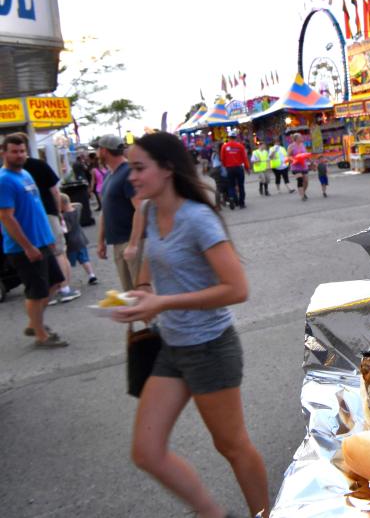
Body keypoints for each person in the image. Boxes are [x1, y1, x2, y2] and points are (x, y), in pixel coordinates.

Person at [112, 131, 270, 518]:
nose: (130, 176)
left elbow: (237, 289)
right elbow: (152, 258)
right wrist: (142, 291)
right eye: (130, 167)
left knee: (231, 445)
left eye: (138, 168)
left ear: (166, 169)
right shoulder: (149, 211)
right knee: (147, 452)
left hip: (210, 348)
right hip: (172, 346)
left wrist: (162, 301)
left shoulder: (198, 219)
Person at [0, 133, 69, 347]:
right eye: (15, 151)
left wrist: (47, 239)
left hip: (42, 241)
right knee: (36, 292)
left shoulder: (26, 174)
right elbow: (6, 217)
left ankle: (34, 323)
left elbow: (37, 208)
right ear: (4, 153)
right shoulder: (4, 180)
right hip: (23, 248)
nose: (20, 155)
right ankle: (41, 335)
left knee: (55, 283)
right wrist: (27, 246)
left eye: (22, 151)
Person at [24, 148, 81, 304]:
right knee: (58, 251)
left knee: (41, 253)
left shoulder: (9, 171)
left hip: (27, 219)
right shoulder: (40, 165)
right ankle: (64, 289)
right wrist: (58, 212)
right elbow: (55, 191)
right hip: (48, 213)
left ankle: (48, 292)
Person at [97, 134, 142, 292]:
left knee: (142, 292)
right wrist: (101, 240)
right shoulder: (110, 175)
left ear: (104, 151)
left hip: (130, 241)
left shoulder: (128, 173)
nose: (96, 153)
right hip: (118, 242)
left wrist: (134, 244)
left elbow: (140, 209)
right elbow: (106, 210)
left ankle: (155, 318)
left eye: (98, 149)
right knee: (131, 294)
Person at [60, 193, 97, 285]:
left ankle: (65, 282)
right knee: (84, 259)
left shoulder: (64, 217)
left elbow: (66, 230)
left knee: (66, 262)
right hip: (81, 239)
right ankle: (91, 275)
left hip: (71, 243)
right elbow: (78, 204)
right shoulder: (77, 209)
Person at [220, 132, 250, 209]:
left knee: (231, 185)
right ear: (235, 137)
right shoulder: (240, 146)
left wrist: (225, 166)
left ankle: (232, 199)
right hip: (239, 168)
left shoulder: (224, 147)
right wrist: (247, 168)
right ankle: (241, 203)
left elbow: (222, 159)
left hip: (229, 169)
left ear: (229, 137)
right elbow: (244, 158)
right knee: (241, 186)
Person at [288, 133, 310, 201]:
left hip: (303, 166)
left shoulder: (303, 145)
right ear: (296, 138)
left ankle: (303, 192)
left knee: (306, 181)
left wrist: (312, 162)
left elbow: (306, 155)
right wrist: (292, 156)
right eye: (300, 137)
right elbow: (288, 156)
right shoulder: (291, 146)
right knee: (300, 179)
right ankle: (302, 196)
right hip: (295, 166)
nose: (302, 138)